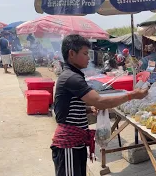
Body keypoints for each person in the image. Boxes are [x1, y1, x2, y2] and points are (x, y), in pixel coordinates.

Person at [51, 35, 148, 176]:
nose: (89, 58)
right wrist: (132, 95)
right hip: (68, 144)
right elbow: (100, 101)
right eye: (85, 54)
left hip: (75, 142)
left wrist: (88, 109)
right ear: (72, 53)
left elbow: (66, 106)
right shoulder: (71, 77)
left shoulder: (72, 75)